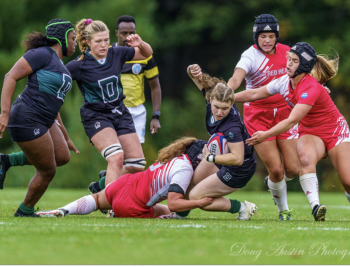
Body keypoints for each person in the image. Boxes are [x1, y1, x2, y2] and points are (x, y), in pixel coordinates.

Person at [235, 42, 350, 222]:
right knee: (305, 160)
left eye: (294, 61)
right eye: (288, 59)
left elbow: (291, 120)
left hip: (335, 130)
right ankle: (315, 207)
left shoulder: (311, 87)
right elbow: (253, 94)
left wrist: (265, 134)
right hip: (309, 131)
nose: (288, 63)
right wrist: (227, 98)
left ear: (305, 65)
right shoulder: (284, 82)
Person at [0, 19, 78, 217]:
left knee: (63, 156)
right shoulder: (42, 54)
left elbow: (54, 104)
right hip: (27, 117)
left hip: (45, 119)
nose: (75, 43)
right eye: (73, 39)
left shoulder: (61, 66)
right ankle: (24, 211)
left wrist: (65, 136)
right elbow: (10, 76)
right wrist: (4, 113)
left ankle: (6, 161)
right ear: (62, 38)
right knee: (48, 170)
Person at [226, 14, 301, 220]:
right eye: (262, 36)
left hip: (285, 112)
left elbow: (306, 73)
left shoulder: (288, 52)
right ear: (255, 37)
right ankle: (283, 210)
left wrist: (320, 86)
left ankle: (273, 184)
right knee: (276, 170)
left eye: (271, 36)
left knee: (294, 169)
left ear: (276, 36)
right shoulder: (249, 56)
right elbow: (236, 78)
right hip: (258, 115)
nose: (267, 40)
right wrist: (226, 91)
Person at [65, 19, 153, 192]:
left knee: (137, 165)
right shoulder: (78, 65)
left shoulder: (116, 53)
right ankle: (110, 202)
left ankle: (101, 185)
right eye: (98, 41)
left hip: (120, 111)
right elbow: (56, 79)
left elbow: (146, 54)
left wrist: (140, 44)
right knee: (116, 157)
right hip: (96, 115)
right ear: (88, 42)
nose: (104, 45)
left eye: (106, 40)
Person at [36, 137, 217, 219]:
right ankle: (116, 212)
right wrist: (199, 203)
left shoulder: (174, 158)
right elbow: (174, 204)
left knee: (97, 200)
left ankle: (63, 210)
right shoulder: (185, 169)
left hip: (125, 183)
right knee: (168, 211)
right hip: (133, 205)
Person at [185, 64, 258, 220]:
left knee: (196, 197)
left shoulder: (232, 127)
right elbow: (193, 77)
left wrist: (210, 158)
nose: (219, 112)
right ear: (210, 99)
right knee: (189, 184)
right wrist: (192, 70)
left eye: (225, 108)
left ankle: (242, 208)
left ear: (232, 104)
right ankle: (179, 215)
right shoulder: (212, 98)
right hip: (222, 159)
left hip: (240, 169)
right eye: (216, 107)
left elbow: (237, 159)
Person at [113, 15, 162, 143]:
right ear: (116, 33)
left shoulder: (145, 56)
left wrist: (156, 116)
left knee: (136, 156)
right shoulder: (108, 54)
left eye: (132, 33)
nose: (128, 37)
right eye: (124, 33)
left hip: (137, 111)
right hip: (114, 109)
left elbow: (155, 86)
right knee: (118, 153)